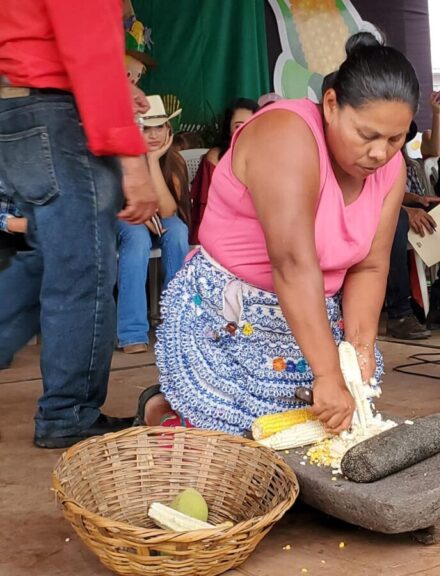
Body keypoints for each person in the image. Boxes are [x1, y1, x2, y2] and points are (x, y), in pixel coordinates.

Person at [137, 32, 419, 435]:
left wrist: (359, 351)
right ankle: (162, 408)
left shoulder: (389, 168)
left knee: (333, 424)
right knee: (236, 441)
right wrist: (325, 373)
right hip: (230, 316)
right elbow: (292, 263)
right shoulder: (285, 133)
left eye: (396, 138)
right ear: (332, 104)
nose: (380, 153)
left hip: (312, 316)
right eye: (367, 135)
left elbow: (370, 266)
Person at [0, 0, 157, 448]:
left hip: (19, 102)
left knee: (46, 262)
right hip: (53, 113)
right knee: (82, 271)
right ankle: (68, 414)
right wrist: (132, 161)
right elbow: (88, 45)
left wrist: (117, 92)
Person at [117, 96, 190, 354]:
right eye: (145, 128)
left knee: (179, 231)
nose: (153, 134)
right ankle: (131, 333)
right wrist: (141, 212)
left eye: (159, 127)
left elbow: (169, 210)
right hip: (123, 218)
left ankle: (176, 324)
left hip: (160, 220)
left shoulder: (173, 161)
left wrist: (152, 161)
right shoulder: (121, 157)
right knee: (137, 238)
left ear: (168, 130)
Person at [386, 124, 440, 340]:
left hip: (404, 206)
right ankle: (400, 314)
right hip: (380, 214)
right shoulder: (371, 154)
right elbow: (372, 196)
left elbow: (399, 192)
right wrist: (406, 209)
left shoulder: (405, 162)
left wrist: (417, 200)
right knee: (396, 223)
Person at [189, 97, 259, 243]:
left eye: (251, 125)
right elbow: (206, 209)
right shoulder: (215, 157)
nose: (244, 131)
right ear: (228, 128)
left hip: (256, 230)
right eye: (238, 126)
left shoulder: (265, 158)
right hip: (220, 230)